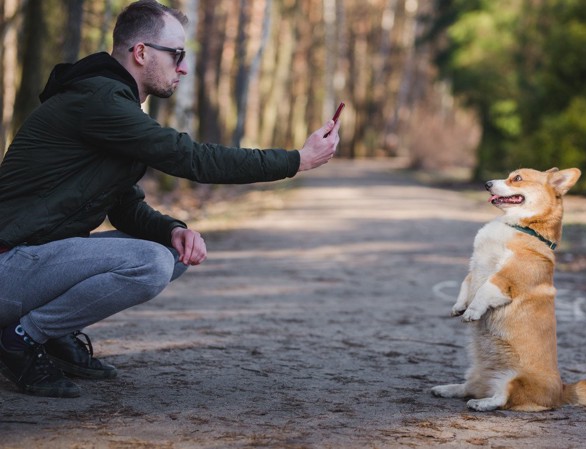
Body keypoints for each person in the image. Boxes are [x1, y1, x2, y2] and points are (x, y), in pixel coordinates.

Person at [0, 0, 339, 398]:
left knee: (168, 251)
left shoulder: (111, 105)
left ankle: (52, 333)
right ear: (141, 53)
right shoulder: (101, 102)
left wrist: (172, 228)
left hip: (30, 261)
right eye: (176, 55)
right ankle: (22, 338)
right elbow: (190, 157)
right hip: (10, 261)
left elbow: (123, 206)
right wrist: (295, 160)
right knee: (151, 262)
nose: (183, 67)